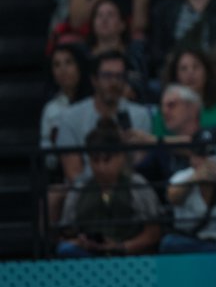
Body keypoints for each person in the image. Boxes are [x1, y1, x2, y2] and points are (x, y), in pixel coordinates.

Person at [57, 119, 161, 257]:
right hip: (88, 257)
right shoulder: (80, 188)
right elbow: (66, 232)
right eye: (95, 160)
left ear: (121, 157)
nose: (101, 167)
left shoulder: (137, 185)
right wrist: (80, 241)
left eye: (107, 160)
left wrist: (120, 247)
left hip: (130, 257)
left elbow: (153, 233)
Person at [56, 50, 152, 183]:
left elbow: (136, 167)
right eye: (107, 76)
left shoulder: (140, 116)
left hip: (128, 189)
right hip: (85, 192)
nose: (114, 82)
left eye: (119, 76)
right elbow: (73, 174)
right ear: (94, 80)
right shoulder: (70, 117)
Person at [40, 44, 92, 172]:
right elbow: (48, 160)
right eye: (57, 65)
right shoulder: (51, 109)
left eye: (69, 62)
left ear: (80, 66)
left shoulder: (96, 101)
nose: (63, 69)